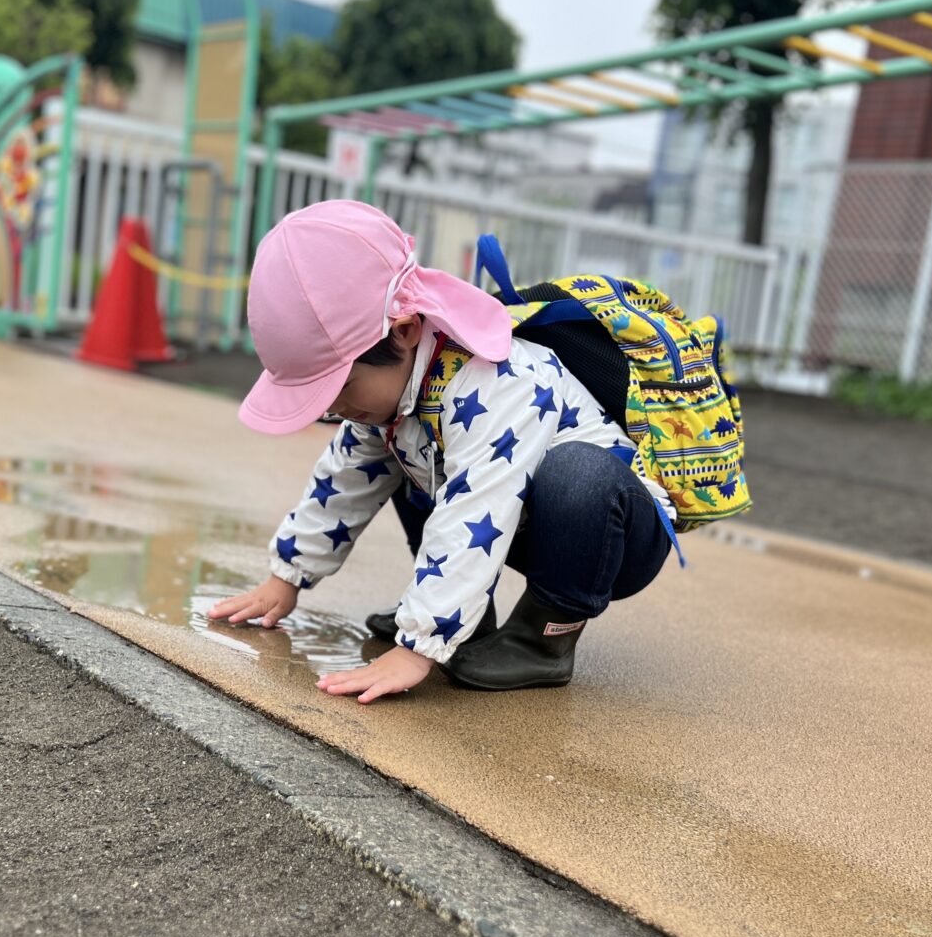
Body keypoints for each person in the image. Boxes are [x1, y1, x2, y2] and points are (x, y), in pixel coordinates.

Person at [208, 201, 676, 701]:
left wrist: (418, 644)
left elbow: (477, 507)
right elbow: (344, 478)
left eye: (340, 390)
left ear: (405, 331)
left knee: (578, 474)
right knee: (395, 450)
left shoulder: (501, 384)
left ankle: (544, 637)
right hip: (520, 519)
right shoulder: (398, 388)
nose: (337, 409)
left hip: (610, 536)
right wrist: (287, 577)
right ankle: (469, 624)